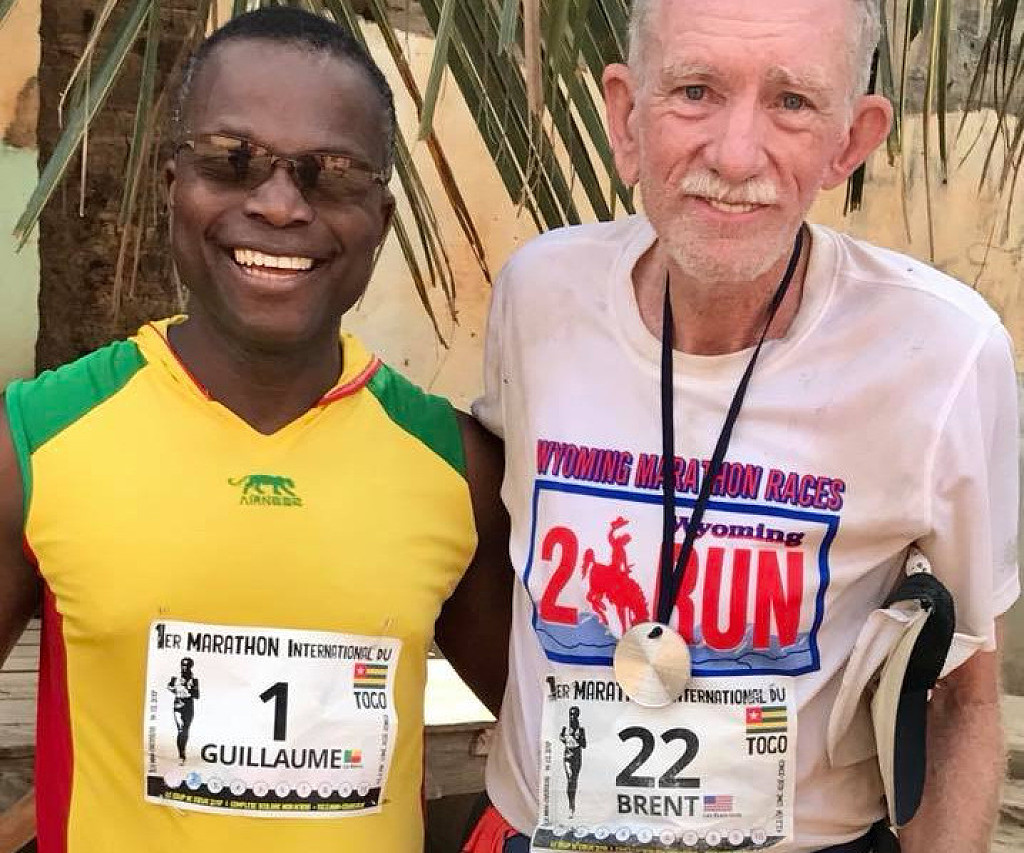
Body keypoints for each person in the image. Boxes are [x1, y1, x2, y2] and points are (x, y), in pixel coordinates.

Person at [464, 0, 1018, 851]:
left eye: (792, 102)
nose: (734, 154)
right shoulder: (539, 294)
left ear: (850, 141)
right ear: (626, 117)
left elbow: (963, 691)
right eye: (695, 91)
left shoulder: (942, 353)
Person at [0, 8, 511, 852]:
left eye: (332, 173)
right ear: (173, 186)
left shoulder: (457, 468)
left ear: (381, 219)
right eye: (230, 160)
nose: (278, 205)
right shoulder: (36, 442)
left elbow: (550, 733)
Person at [168, 657, 200, 764]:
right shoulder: (175, 677)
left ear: (191, 666)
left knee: (185, 730)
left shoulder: (194, 680)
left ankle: (183, 749)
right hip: (178, 706)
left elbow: (197, 695)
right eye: (183, 665)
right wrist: (176, 690)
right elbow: (169, 687)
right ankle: (181, 755)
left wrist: (187, 689)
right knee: (180, 729)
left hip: (188, 707)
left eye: (186, 665)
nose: (184, 667)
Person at [559, 706, 587, 819]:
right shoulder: (565, 728)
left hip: (577, 757)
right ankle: (571, 807)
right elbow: (561, 738)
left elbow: (584, 745)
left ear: (577, 716)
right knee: (570, 779)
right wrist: (564, 738)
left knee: (574, 780)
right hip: (567, 756)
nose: (572, 717)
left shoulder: (581, 730)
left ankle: (572, 804)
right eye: (571, 714)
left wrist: (578, 738)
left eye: (574, 715)